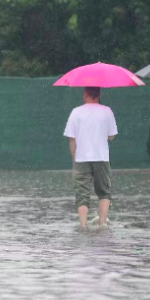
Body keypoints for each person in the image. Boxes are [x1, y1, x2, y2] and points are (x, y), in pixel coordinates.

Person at [63, 86, 118, 228]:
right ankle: (101, 225)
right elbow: (111, 136)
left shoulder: (76, 112)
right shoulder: (107, 111)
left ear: (85, 94)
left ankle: (83, 225)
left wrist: (74, 158)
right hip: (102, 158)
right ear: (99, 95)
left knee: (82, 193)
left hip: (81, 158)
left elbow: (71, 140)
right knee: (104, 192)